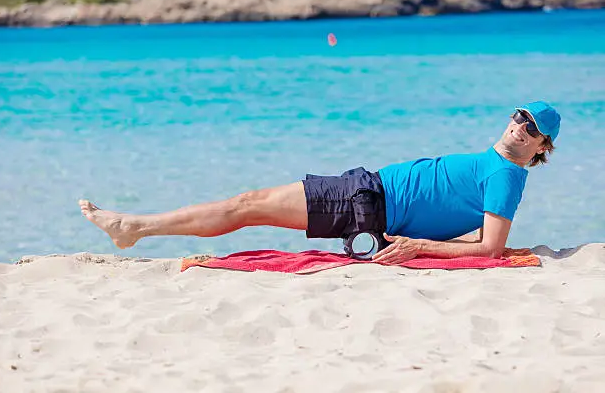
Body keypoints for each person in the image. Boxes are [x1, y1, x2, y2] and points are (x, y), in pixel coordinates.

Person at [79, 101, 561, 265]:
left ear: (542, 147)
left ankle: (133, 226)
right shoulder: (496, 164)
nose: (520, 126)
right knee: (250, 205)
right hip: (367, 191)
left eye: (532, 128)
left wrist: (419, 247)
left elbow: (492, 248)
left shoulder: (506, 175)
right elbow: (475, 231)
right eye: (520, 116)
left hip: (367, 204)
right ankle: (136, 227)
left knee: (247, 204)